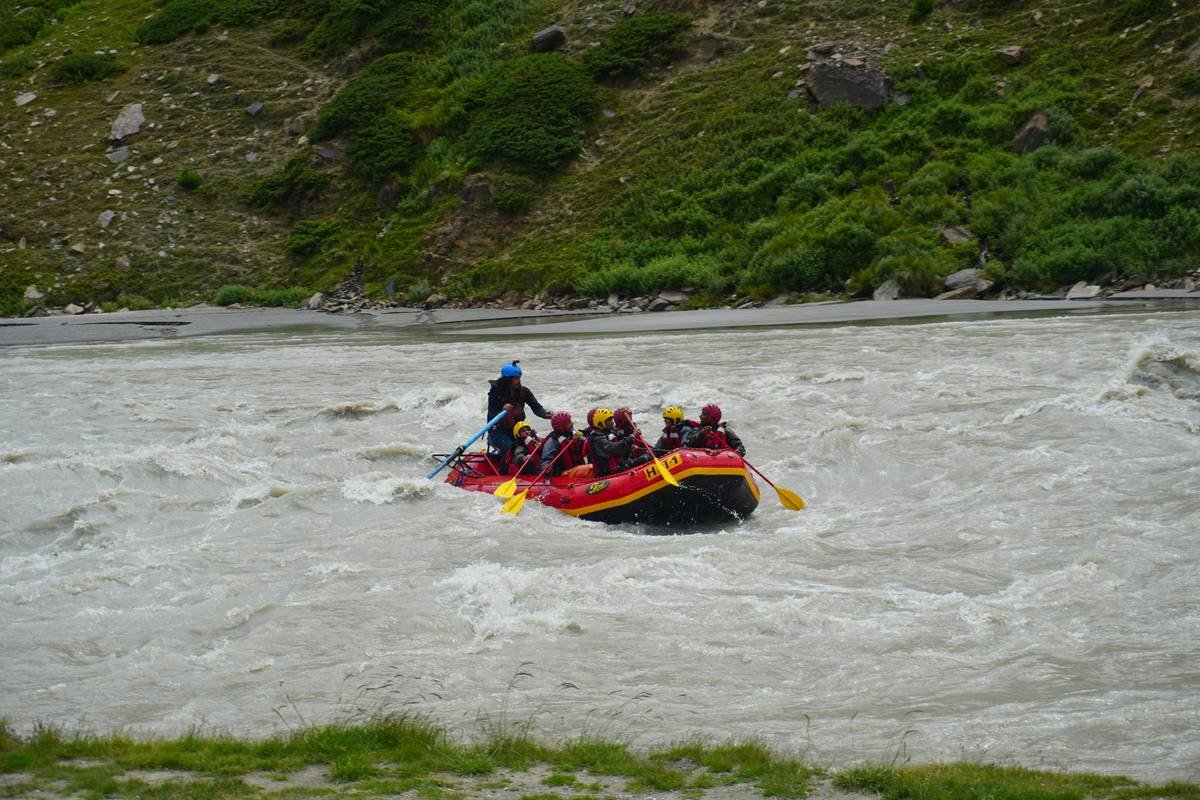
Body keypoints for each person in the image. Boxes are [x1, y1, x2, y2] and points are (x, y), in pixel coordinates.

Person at [486, 361, 551, 457]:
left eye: (519, 378)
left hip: (518, 431)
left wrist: (546, 414)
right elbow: (491, 418)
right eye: (515, 378)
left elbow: (536, 407)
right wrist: (502, 411)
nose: (519, 381)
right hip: (498, 432)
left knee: (535, 445)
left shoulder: (524, 392)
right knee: (511, 449)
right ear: (507, 380)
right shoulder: (495, 394)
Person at [540, 411, 585, 476]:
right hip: (563, 473)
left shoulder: (572, 434)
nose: (572, 423)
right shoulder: (552, 441)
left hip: (575, 468)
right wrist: (546, 466)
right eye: (569, 422)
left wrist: (580, 440)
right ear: (562, 427)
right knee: (590, 469)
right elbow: (545, 460)